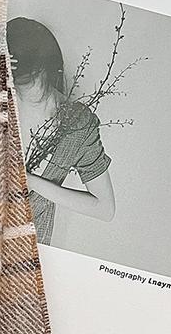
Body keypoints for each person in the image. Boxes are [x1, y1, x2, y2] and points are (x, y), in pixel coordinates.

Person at [6, 17, 115, 245]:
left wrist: (31, 181)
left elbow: (104, 208)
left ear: (43, 67)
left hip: (30, 245)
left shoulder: (78, 124)